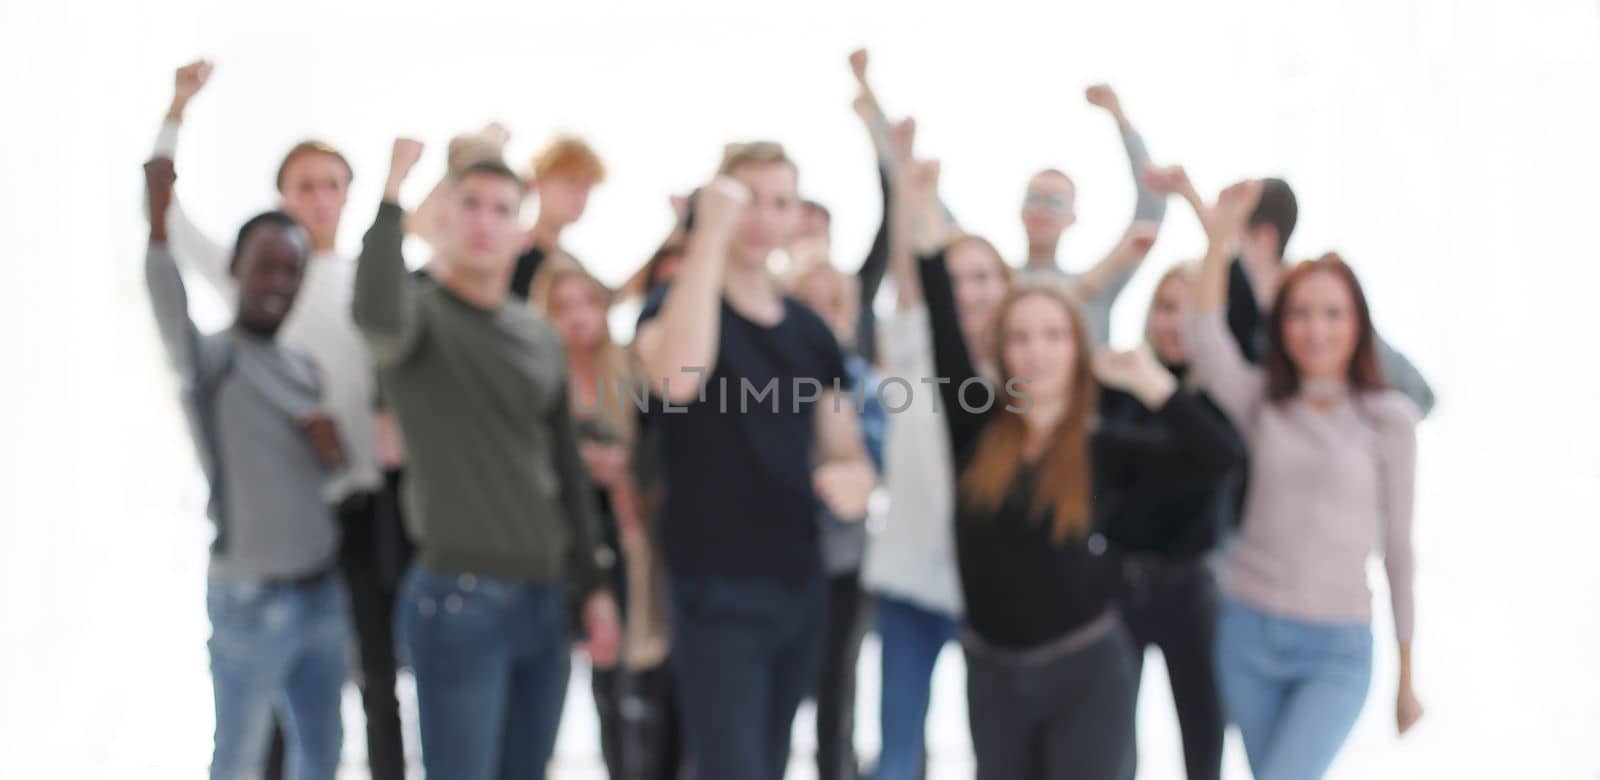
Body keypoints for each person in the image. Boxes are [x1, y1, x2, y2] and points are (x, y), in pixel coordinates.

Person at [904, 158, 1241, 780]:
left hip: (1087, 673)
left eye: (1055, 335)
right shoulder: (973, 427)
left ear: (1077, 347)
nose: (1037, 351)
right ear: (1001, 350)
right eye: (1021, 337)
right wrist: (918, 202)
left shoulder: (1103, 444)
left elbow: (1221, 456)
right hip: (992, 673)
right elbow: (941, 313)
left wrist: (1151, 382)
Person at [153, 59, 406, 780]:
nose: (321, 199)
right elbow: (167, 219)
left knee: (374, 684)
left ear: (349, 194)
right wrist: (176, 112)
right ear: (281, 197)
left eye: (333, 185)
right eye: (305, 186)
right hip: (280, 528)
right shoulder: (258, 273)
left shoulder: (376, 279)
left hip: (361, 511)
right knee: (263, 714)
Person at [352, 139, 621, 780]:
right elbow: (375, 312)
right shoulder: (418, 320)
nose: (484, 221)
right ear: (441, 217)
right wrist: (391, 195)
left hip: (546, 603)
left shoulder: (536, 333)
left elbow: (565, 472)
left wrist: (594, 584)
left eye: (503, 209)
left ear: (521, 227)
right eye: (468, 204)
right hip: (458, 603)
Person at [634, 141, 877, 780]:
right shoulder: (672, 307)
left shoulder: (809, 330)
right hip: (714, 588)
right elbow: (678, 377)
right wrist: (707, 233)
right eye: (745, 200)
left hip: (800, 585)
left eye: (780, 202)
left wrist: (854, 480)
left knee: (769, 763)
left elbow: (844, 447)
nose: (762, 217)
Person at [1181, 180, 1425, 778]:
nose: (1317, 329)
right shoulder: (1263, 404)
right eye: (1301, 313)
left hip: (1336, 650)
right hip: (1247, 635)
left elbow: (1398, 550)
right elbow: (1205, 338)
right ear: (1282, 324)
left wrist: (1407, 673)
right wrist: (1217, 240)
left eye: (1333, 314)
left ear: (1359, 325)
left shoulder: (1388, 419)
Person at [144, 155, 348, 780]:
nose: (277, 281)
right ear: (236, 270)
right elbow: (167, 295)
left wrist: (331, 451)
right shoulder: (212, 362)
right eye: (265, 265)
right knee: (238, 757)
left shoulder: (305, 370)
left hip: (323, 591)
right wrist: (157, 220)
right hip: (251, 600)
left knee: (323, 753)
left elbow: (326, 479)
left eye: (291, 269)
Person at [531, 267, 683, 780]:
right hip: (562, 548)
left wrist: (625, 469)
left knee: (642, 683)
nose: (577, 317)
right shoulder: (538, 377)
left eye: (587, 302)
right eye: (564, 306)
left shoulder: (632, 371)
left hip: (630, 537)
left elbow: (662, 451)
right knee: (595, 686)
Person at [1100, 263, 1248, 780]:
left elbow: (1221, 457)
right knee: (1111, 739)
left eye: (1190, 311)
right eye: (1165, 308)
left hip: (1193, 589)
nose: (1175, 324)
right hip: (1119, 581)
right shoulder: (1116, 389)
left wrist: (1160, 391)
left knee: (1204, 736)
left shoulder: (1223, 400)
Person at [1144, 169, 1437, 415]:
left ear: (1265, 237)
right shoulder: (1248, 298)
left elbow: (1419, 394)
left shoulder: (1315, 311)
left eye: (1235, 228)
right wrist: (1189, 194)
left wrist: (1348, 425)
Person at [1016, 83, 1166, 348]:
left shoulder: (1099, 290)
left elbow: (1151, 209)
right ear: (1021, 210)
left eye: (1056, 202)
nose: (1043, 210)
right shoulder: (989, 282)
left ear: (1072, 218)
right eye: (1035, 199)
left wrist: (1121, 120)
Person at [509, 135, 608, 296]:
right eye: (572, 181)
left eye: (587, 186)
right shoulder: (509, 251)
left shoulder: (572, 266)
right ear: (539, 181)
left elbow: (612, 297)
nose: (580, 195)